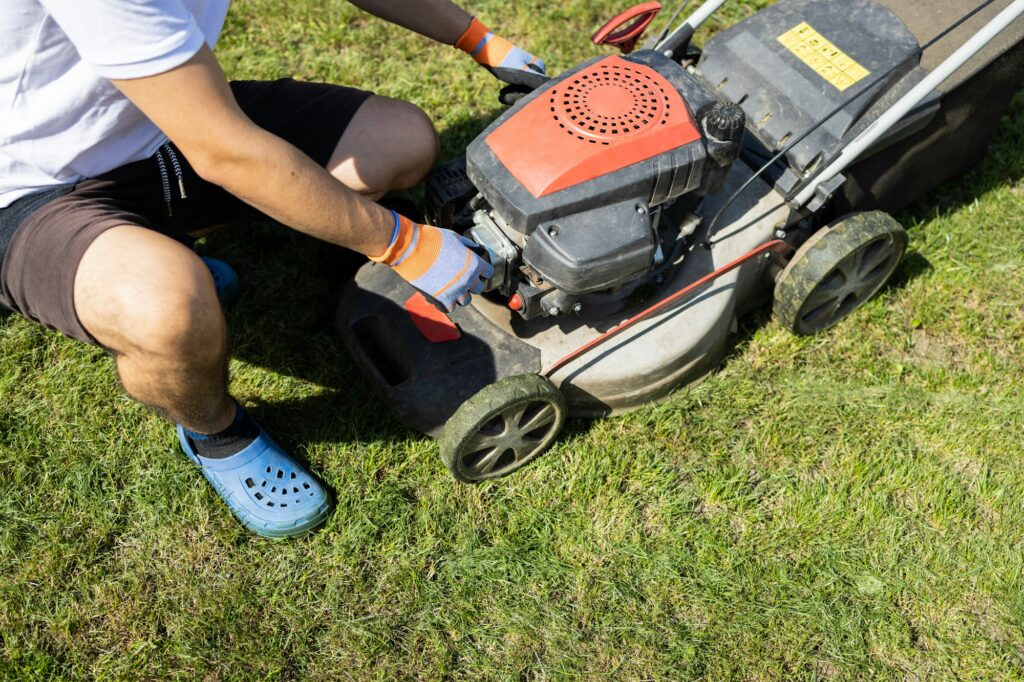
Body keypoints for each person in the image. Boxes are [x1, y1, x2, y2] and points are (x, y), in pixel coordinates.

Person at [0, 1, 547, 538]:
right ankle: (216, 431)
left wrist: (479, 39)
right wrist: (403, 244)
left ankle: (154, 247)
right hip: (35, 186)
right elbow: (225, 151)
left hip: (162, 125)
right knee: (168, 309)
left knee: (397, 141)